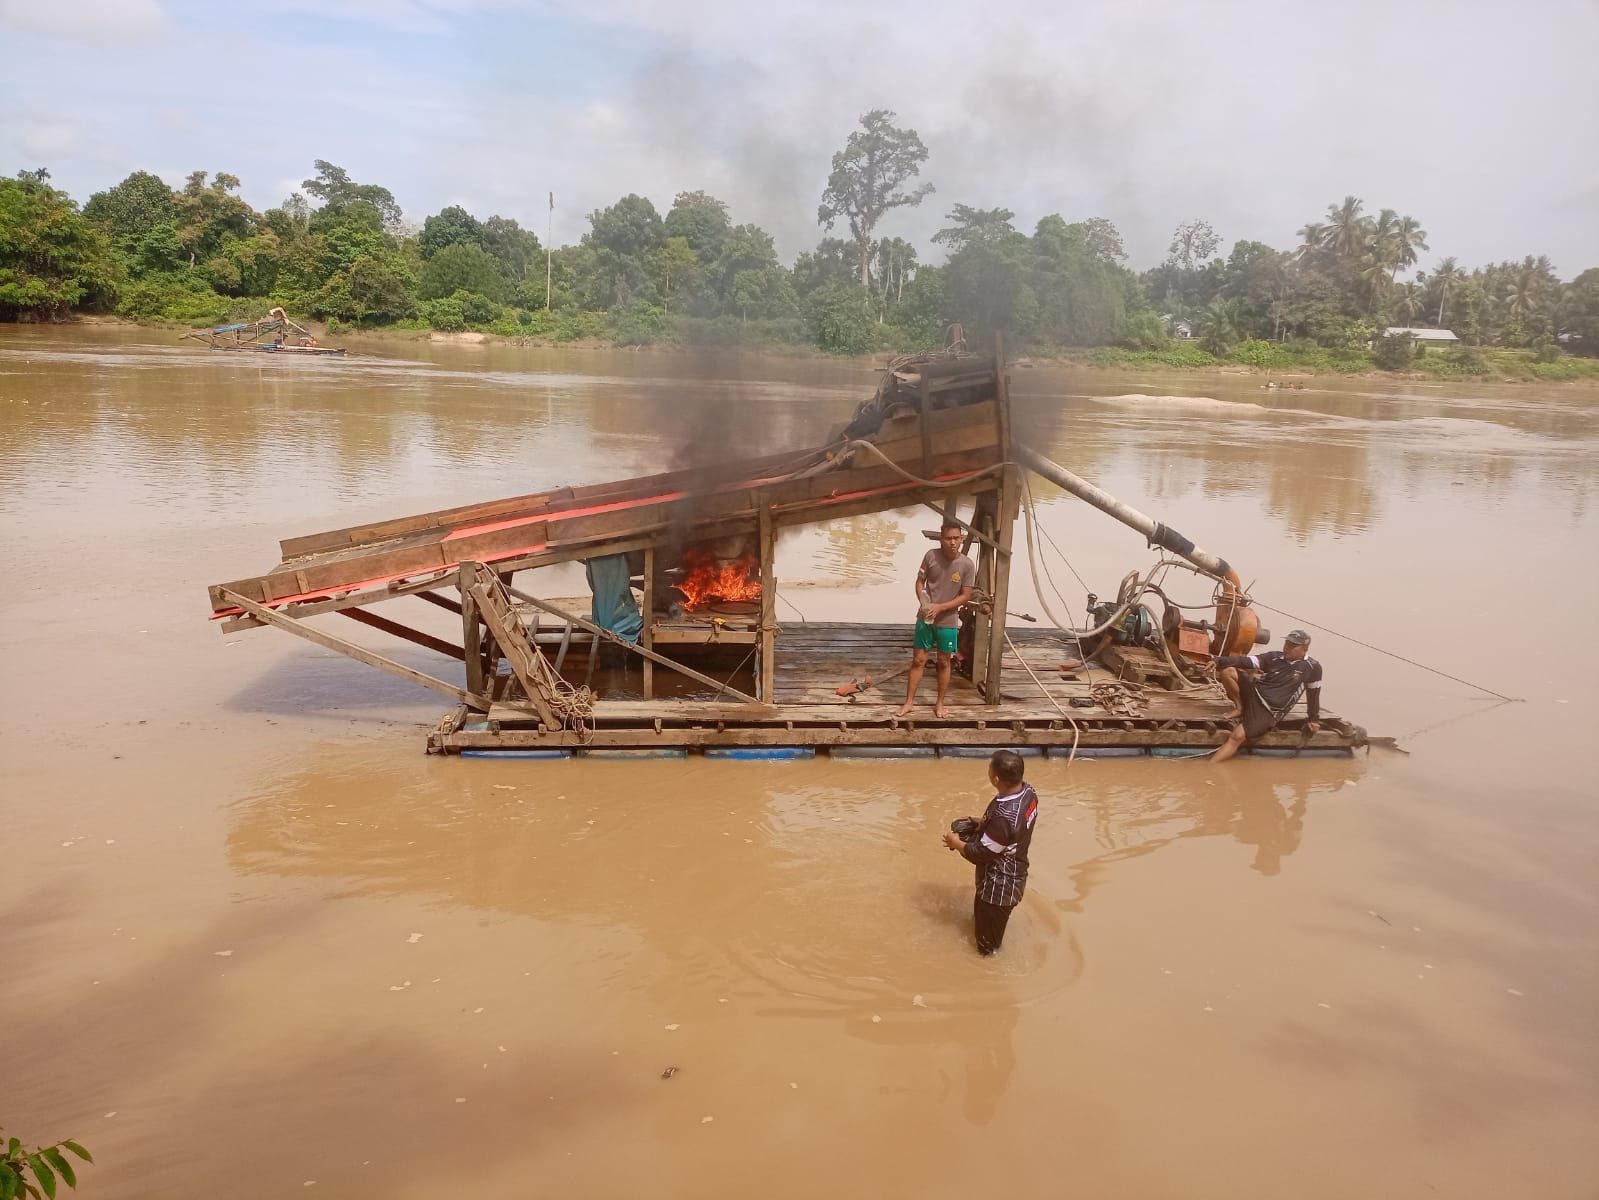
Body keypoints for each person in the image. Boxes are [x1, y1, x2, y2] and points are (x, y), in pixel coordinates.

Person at [942, 750, 1039, 955]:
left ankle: (986, 974)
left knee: (986, 947)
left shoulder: (1004, 818)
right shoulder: (1028, 793)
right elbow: (1014, 830)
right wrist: (983, 823)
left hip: (998, 887)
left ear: (996, 779)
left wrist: (956, 843)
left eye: (989, 768)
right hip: (1013, 874)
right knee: (980, 920)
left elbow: (981, 854)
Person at [896, 520, 975, 719]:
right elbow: (920, 582)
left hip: (947, 621)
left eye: (956, 538)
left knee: (943, 662)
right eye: (948, 538)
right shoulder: (931, 556)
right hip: (926, 618)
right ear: (941, 539)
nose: (952, 542)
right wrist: (924, 601)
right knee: (918, 660)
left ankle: (940, 704)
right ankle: (909, 702)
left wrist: (941, 607)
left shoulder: (966, 564)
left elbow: (965, 596)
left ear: (962, 539)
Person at [1210, 629, 1323, 763]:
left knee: (1237, 736)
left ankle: (1211, 767)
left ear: (1304, 648)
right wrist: (1218, 661)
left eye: (1293, 646)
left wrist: (1313, 719)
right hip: (1255, 693)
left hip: (1269, 710)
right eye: (1287, 643)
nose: (1287, 648)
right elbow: (1246, 661)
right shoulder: (1274, 657)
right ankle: (1240, 708)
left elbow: (1313, 693)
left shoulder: (1312, 667)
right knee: (1228, 671)